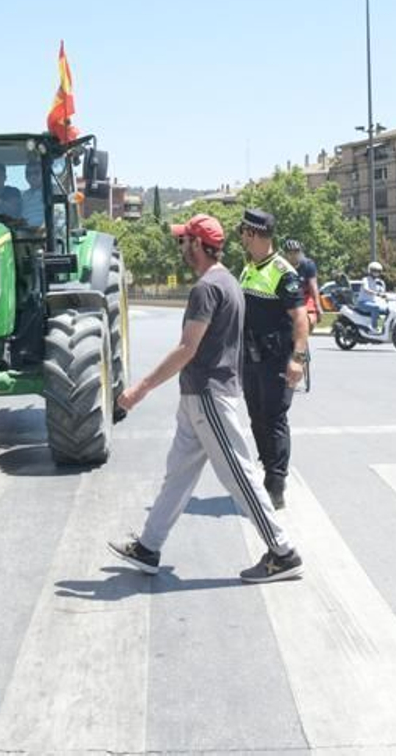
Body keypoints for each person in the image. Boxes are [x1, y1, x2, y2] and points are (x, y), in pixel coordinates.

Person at [108, 214, 302, 584]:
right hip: (200, 395)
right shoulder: (230, 281)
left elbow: (187, 348)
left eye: (184, 241)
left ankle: (283, 552)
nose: (181, 247)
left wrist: (139, 389)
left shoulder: (207, 289)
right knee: (178, 475)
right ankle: (149, 547)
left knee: (239, 476)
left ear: (198, 244)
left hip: (209, 395)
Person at [236, 209, 308, 511]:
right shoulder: (249, 268)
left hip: (277, 359)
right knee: (257, 418)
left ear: (252, 233)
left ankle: (276, 485)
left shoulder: (281, 271)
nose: (239, 236)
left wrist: (297, 359)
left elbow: (300, 318)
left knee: (275, 419)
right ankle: (267, 472)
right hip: (251, 358)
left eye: (242, 231)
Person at [282, 239, 321, 328]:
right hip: (287, 297)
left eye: (296, 252)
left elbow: (313, 286)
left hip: (305, 297)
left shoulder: (308, 265)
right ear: (285, 255)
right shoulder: (281, 267)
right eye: (290, 253)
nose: (294, 255)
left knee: (309, 321)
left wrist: (318, 306)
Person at [354, 261, 388, 332]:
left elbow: (381, 291)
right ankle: (374, 327)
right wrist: (376, 293)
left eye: (378, 271)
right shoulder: (365, 279)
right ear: (370, 271)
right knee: (376, 308)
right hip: (362, 303)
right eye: (374, 271)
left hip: (371, 302)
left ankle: (380, 328)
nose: (376, 273)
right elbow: (366, 289)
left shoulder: (377, 281)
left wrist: (385, 295)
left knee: (384, 310)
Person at [20, 159, 47, 228]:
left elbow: (58, 215)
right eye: (29, 174)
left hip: (47, 233)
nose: (32, 176)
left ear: (43, 173)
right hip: (26, 233)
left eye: (36, 172)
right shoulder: (24, 196)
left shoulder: (52, 190)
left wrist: (43, 228)